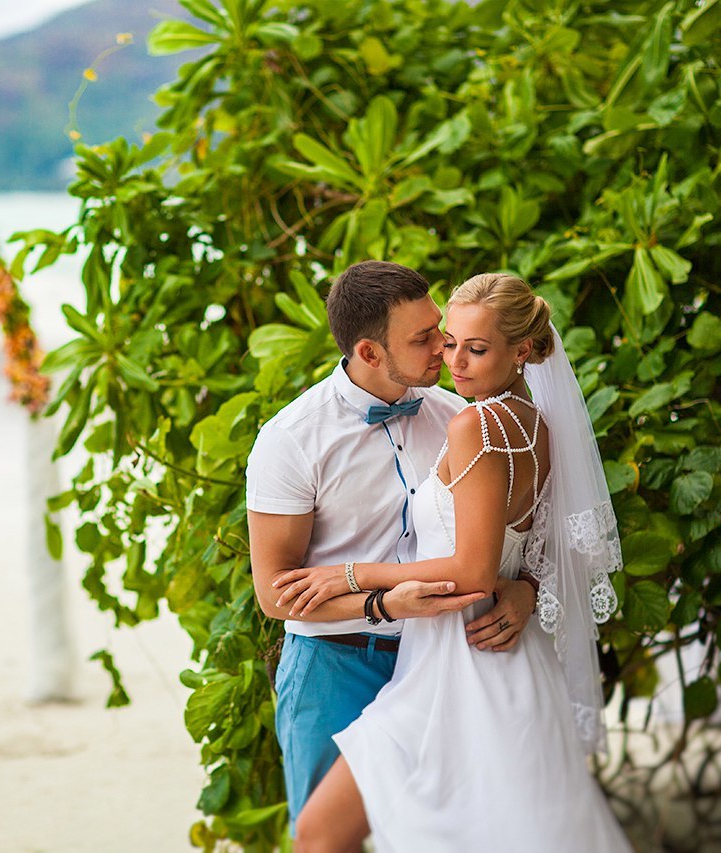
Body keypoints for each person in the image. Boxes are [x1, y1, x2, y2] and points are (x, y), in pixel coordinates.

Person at [275, 273, 631, 852]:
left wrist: (350, 573)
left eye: (476, 348)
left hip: (459, 667)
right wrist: (529, 587)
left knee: (322, 834)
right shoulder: (537, 425)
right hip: (485, 660)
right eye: (448, 340)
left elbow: (470, 571)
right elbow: (536, 541)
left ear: (521, 352)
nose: (454, 360)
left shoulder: (473, 424)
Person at [245, 261, 541, 834]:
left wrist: (527, 590)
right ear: (370, 353)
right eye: (425, 338)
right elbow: (275, 595)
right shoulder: (292, 439)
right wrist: (384, 605)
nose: (445, 349)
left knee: (449, 836)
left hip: (450, 661)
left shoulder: (462, 416)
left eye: (441, 330)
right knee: (326, 840)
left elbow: (521, 533)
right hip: (337, 663)